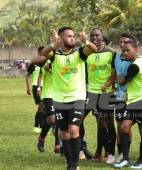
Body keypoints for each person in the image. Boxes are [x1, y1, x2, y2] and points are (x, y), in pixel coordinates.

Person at [32, 26, 97, 170]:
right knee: (64, 133)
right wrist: (52, 45)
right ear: (61, 39)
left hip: (77, 98)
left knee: (74, 129)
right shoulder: (55, 55)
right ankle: (70, 164)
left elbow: (93, 49)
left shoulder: (79, 53)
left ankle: (74, 165)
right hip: (60, 99)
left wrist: (86, 41)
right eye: (69, 36)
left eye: (73, 35)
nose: (72, 38)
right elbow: (43, 53)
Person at [113, 40, 142, 169]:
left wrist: (119, 77)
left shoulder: (134, 66)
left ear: (135, 50)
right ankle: (125, 159)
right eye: (123, 51)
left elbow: (122, 82)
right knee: (124, 126)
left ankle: (141, 161)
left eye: (127, 50)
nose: (125, 53)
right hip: (132, 101)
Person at [81, 28, 117, 164]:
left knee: (105, 123)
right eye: (92, 36)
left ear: (102, 36)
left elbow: (114, 72)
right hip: (90, 92)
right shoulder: (86, 51)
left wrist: (108, 84)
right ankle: (81, 149)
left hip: (105, 93)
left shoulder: (111, 52)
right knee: (78, 119)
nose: (94, 37)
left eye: (97, 35)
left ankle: (104, 152)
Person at [113, 33, 135, 163]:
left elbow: (123, 78)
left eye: (125, 42)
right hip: (119, 96)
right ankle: (121, 153)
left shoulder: (134, 60)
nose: (122, 45)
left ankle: (125, 154)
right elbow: (115, 74)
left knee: (127, 125)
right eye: (120, 42)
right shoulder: (115, 56)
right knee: (119, 124)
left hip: (132, 96)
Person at [36, 59, 61, 154]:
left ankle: (57, 145)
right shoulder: (48, 62)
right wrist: (38, 87)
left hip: (60, 94)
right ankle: (42, 139)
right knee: (52, 119)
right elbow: (45, 69)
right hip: (48, 94)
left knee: (57, 119)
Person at [26, 47, 45, 133]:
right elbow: (27, 76)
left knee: (43, 107)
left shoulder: (45, 62)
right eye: (42, 52)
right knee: (41, 106)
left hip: (45, 87)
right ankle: (37, 127)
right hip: (36, 87)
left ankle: (40, 127)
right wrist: (28, 88)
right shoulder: (34, 64)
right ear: (38, 52)